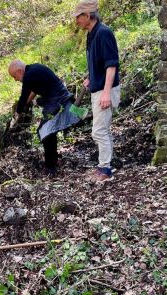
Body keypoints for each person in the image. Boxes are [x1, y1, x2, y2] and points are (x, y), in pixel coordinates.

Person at [9, 60, 84, 176]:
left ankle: (51, 168)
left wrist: (17, 113)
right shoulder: (35, 68)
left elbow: (24, 96)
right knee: (53, 128)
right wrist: (25, 103)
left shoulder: (29, 76)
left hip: (58, 102)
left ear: (19, 71)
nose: (15, 80)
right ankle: (87, 116)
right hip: (61, 98)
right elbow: (33, 91)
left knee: (45, 131)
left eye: (14, 76)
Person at [74, 0, 121, 182]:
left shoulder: (103, 33)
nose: (76, 21)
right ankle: (106, 165)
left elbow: (111, 65)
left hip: (105, 90)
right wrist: (91, 77)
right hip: (98, 87)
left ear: (87, 15)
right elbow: (99, 63)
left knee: (98, 131)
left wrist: (106, 93)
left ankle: (105, 170)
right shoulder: (91, 34)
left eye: (78, 17)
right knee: (104, 130)